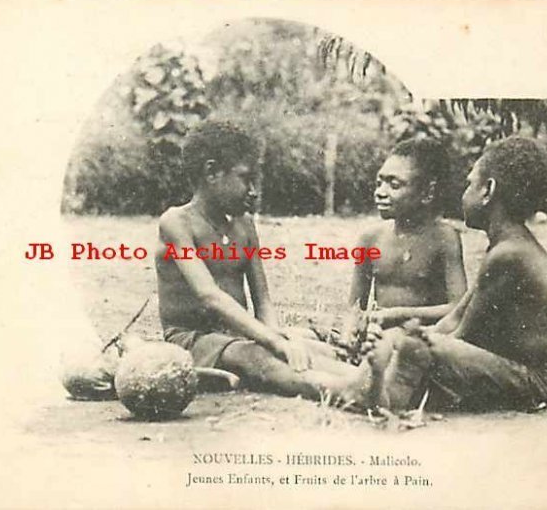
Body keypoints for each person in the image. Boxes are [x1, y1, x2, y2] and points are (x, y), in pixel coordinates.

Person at [155, 121, 423, 407]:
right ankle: (347, 390)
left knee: (308, 349)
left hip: (239, 333)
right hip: (193, 341)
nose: (253, 191)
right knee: (258, 356)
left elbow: (263, 300)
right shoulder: (176, 223)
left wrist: (278, 337)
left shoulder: (244, 225)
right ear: (211, 172)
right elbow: (210, 297)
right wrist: (275, 343)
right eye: (246, 178)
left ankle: (377, 383)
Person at [373, 137, 547, 412]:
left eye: (470, 184)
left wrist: (406, 341)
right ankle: (381, 381)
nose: (464, 192)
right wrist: (406, 336)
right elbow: (455, 316)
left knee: (413, 348)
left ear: (487, 191)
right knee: (407, 342)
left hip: (540, 381)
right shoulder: (505, 246)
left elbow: (462, 335)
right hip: (524, 369)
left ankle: (383, 399)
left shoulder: (510, 254)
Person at [349, 138, 467, 329]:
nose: (380, 192)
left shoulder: (444, 238)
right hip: (377, 340)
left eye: (394, 185)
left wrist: (401, 315)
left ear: (427, 192)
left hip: (422, 341)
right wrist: (350, 335)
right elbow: (354, 309)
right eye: (379, 182)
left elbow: (458, 309)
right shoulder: (370, 239)